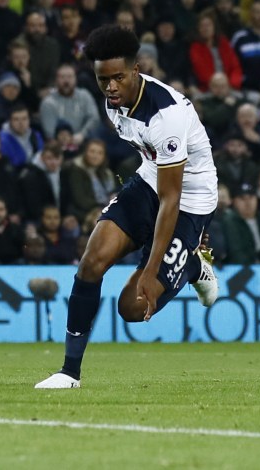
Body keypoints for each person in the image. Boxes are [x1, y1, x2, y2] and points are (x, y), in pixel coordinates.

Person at [36, 25, 218, 389]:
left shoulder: (166, 116)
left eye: (118, 77)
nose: (111, 87)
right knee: (91, 262)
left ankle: (194, 265)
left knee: (132, 308)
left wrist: (150, 270)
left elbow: (171, 199)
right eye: (103, 79)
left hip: (189, 199)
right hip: (151, 179)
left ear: (136, 70)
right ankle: (69, 372)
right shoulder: (112, 100)